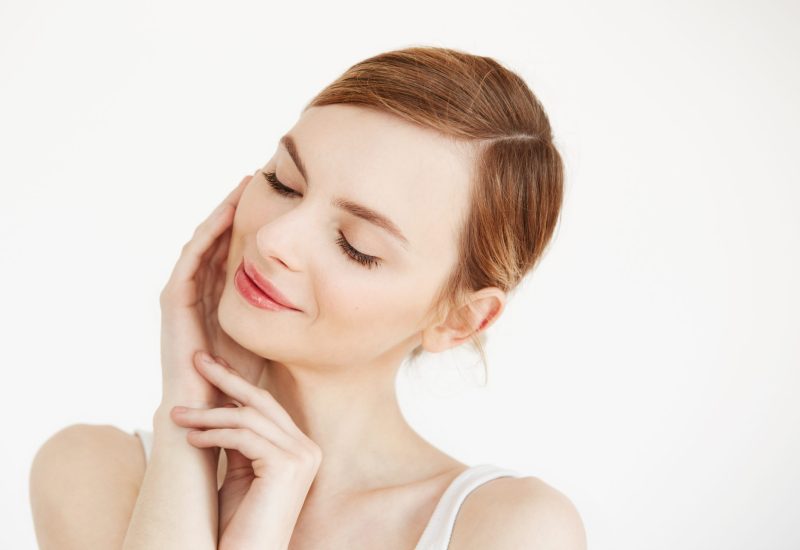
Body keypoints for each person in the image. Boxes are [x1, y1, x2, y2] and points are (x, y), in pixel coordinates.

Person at [30, 46, 586, 549]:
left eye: (355, 246)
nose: (273, 238)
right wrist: (188, 433)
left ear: (460, 320)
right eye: (282, 183)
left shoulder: (509, 529)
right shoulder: (93, 472)